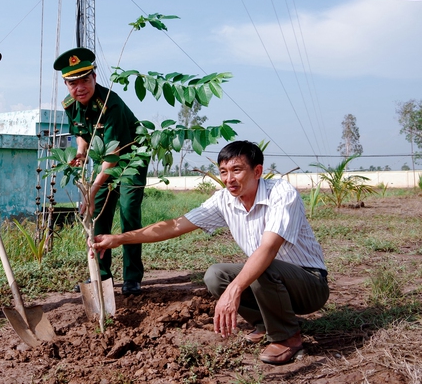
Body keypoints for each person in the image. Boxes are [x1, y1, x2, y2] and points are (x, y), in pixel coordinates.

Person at [92, 140, 329, 365]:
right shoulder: (224, 200)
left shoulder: (281, 193)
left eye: (237, 170)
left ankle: (288, 337)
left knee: (259, 268)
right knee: (216, 276)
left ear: (257, 172)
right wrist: (119, 239)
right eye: (224, 171)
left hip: (309, 283)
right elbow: (176, 225)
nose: (229, 178)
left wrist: (234, 290)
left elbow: (268, 249)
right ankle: (266, 323)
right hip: (271, 276)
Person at [54, 47, 147, 296]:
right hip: (107, 160)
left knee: (128, 212)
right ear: (66, 84)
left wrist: (92, 189)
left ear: (94, 77)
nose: (79, 87)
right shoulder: (70, 105)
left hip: (131, 159)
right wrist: (80, 153)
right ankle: (103, 275)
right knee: (98, 212)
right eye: (72, 82)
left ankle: (133, 276)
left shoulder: (110, 105)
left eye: (85, 80)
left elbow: (113, 157)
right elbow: (83, 135)